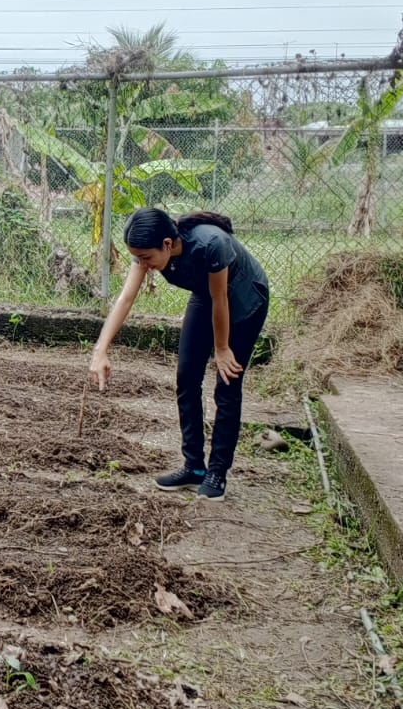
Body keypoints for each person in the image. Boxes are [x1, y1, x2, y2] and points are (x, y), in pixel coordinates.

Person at [89, 207, 269, 501]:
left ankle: (217, 472)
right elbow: (126, 298)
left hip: (244, 297)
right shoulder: (150, 249)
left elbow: (221, 299)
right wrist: (101, 349)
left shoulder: (211, 243)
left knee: (227, 383)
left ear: (167, 244)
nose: (143, 264)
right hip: (207, 295)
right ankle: (194, 467)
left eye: (146, 258)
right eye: (138, 258)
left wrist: (222, 349)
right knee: (187, 377)